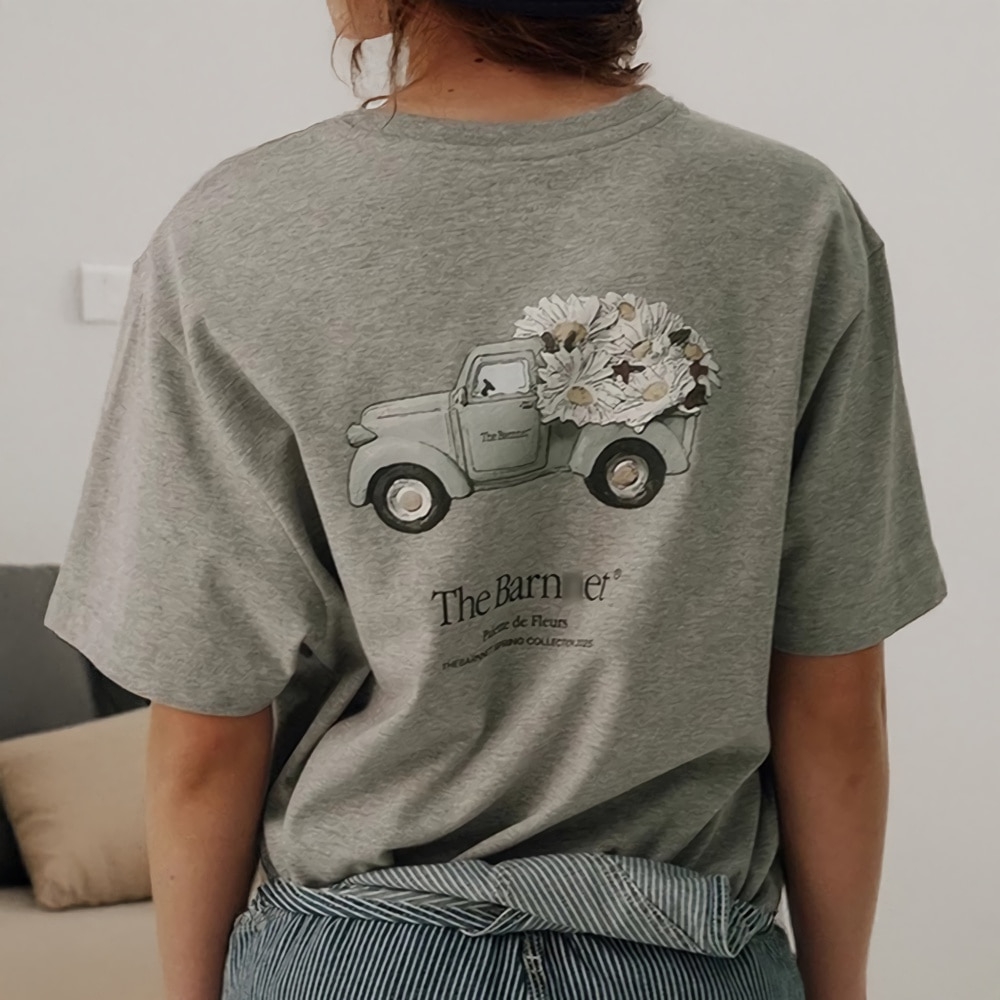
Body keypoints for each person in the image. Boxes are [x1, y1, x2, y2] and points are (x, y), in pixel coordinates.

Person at [43, 1, 948, 998]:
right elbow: (833, 699)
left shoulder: (231, 232)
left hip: (355, 955)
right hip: (687, 947)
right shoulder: (792, 214)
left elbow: (207, 733)